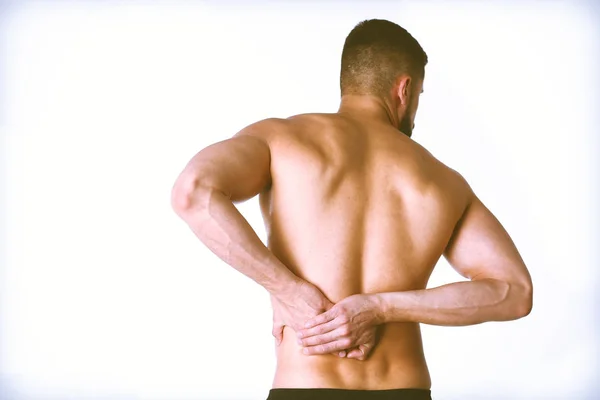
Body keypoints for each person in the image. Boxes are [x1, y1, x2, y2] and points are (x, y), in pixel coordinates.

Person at [171, 18, 533, 400]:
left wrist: (290, 292)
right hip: (404, 389)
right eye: (420, 95)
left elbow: (193, 191)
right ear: (404, 88)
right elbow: (513, 291)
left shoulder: (282, 139)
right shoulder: (443, 180)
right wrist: (381, 306)